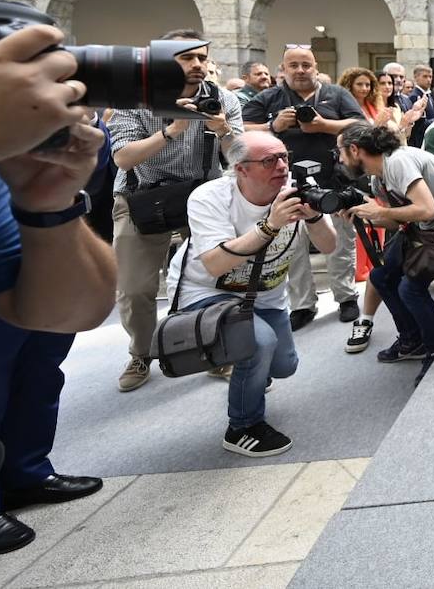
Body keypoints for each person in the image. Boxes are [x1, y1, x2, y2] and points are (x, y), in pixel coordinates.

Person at [0, 49, 116, 555]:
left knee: (42, 366)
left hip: (31, 261)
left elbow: (83, 309)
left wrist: (50, 199)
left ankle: (27, 470)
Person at [172, 132, 336, 457]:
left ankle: (249, 374)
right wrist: (270, 225)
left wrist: (315, 217)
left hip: (266, 293)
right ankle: (242, 427)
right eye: (268, 160)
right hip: (208, 290)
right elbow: (216, 264)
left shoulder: (296, 189)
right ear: (240, 169)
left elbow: (330, 246)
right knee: (259, 343)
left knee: (285, 366)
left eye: (283, 157)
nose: (281, 166)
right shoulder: (211, 197)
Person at [108, 30, 243, 392]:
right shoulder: (134, 99)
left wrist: (225, 131)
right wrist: (174, 130)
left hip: (201, 195)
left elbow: (240, 158)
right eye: (187, 57)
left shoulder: (223, 99)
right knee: (135, 288)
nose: (197, 65)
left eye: (202, 57)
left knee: (214, 278)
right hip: (141, 196)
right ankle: (141, 352)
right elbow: (122, 157)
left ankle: (215, 348)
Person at [242, 46, 365, 331]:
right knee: (292, 246)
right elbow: (240, 127)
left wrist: (324, 125)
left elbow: (360, 124)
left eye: (305, 65)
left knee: (341, 243)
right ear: (282, 69)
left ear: (315, 66)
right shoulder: (269, 97)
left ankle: (346, 297)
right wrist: (273, 125)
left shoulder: (336, 94)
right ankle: (302, 305)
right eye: (293, 65)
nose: (300, 70)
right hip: (284, 183)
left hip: (333, 178)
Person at [338, 125, 434, 382]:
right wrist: (362, 215)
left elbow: (427, 210)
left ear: (355, 150)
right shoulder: (380, 174)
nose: (340, 159)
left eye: (340, 151)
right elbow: (397, 222)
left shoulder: (397, 162)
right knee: (381, 277)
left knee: (410, 288)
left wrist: (381, 212)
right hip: (424, 232)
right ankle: (412, 340)